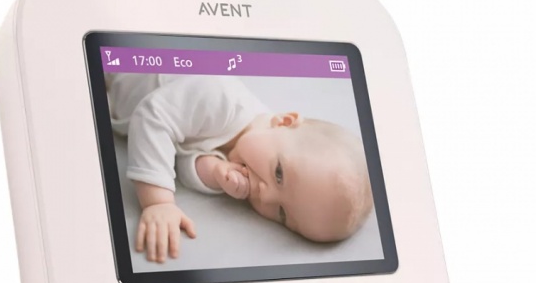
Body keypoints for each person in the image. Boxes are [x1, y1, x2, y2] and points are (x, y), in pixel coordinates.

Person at [106, 73, 373, 263]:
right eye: (279, 174)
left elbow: (180, 156)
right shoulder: (220, 99)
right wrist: (158, 202)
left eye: (282, 213)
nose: (265, 195)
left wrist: (213, 172)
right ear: (283, 122)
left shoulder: (249, 151)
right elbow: (153, 116)